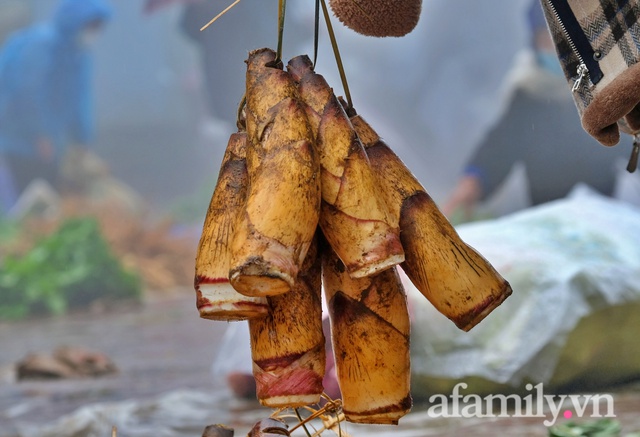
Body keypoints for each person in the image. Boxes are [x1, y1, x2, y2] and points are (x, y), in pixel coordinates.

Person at [442, 0, 630, 220]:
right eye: (547, 39)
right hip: (549, 219)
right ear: (534, 41)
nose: (556, 49)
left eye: (563, 40)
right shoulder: (529, 96)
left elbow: (630, 141)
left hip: (603, 217)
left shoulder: (607, 89)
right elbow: (499, 147)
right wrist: (470, 184)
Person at [0, 0, 112, 213]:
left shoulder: (78, 53)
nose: (94, 33)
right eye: (91, 26)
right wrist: (39, 134)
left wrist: (82, 140)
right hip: (21, 138)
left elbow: (79, 100)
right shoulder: (42, 45)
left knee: (50, 195)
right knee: (33, 195)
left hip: (51, 141)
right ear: (75, 21)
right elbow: (27, 92)